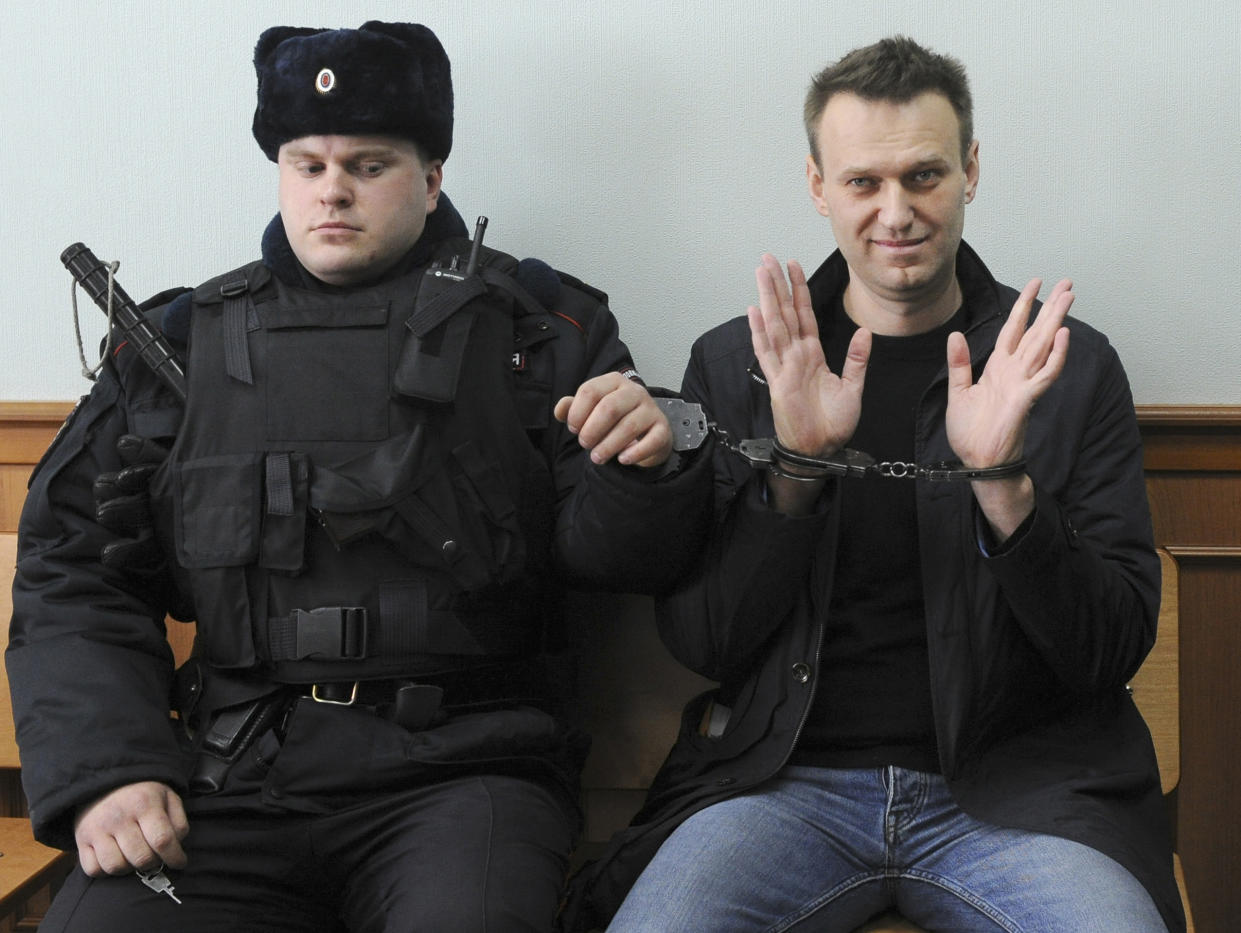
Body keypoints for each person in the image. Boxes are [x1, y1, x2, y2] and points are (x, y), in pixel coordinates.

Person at [7, 21, 711, 933]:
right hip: (232, 774)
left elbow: (615, 557)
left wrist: (644, 466)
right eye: (307, 164)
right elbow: (72, 567)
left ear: (432, 177)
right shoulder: (178, 343)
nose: (332, 190)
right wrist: (108, 768)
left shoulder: (540, 329)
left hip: (465, 775)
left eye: (369, 164)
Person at [564, 35, 1183, 933]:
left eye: (924, 176)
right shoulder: (738, 363)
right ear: (818, 186)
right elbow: (706, 641)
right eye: (862, 183)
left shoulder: (1065, 367)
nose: (895, 212)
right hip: (781, 785)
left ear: (970, 170)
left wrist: (1001, 480)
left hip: (1023, 794)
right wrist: (798, 470)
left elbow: (1107, 647)